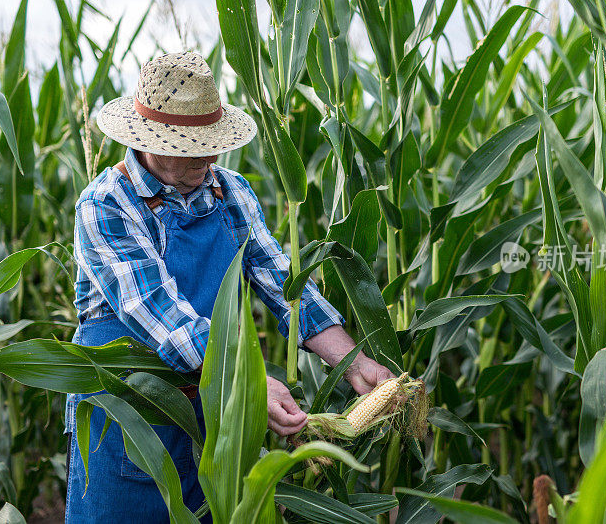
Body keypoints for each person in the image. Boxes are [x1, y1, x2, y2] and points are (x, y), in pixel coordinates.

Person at [63, 50, 394, 523]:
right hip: (130, 416)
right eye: (190, 144)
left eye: (211, 141)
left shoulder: (230, 190)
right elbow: (163, 315)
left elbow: (283, 284)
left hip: (213, 409)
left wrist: (352, 361)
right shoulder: (105, 205)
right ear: (149, 141)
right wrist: (251, 384)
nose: (209, 156)